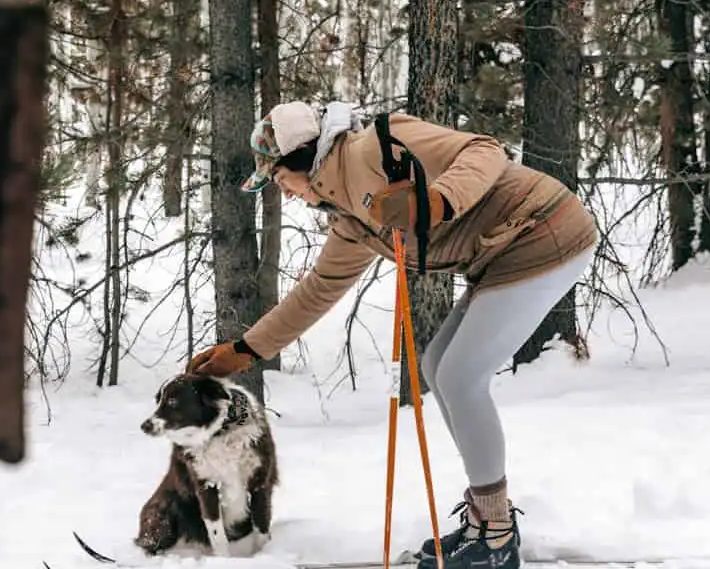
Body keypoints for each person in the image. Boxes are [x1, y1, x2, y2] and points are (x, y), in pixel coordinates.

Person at [186, 100, 598, 569]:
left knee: (462, 376)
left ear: (301, 160)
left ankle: (497, 534)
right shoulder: (350, 219)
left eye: (281, 180)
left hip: (543, 230)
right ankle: (488, 521)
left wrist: (437, 200)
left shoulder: (377, 146)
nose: (288, 194)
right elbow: (319, 289)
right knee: (439, 368)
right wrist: (245, 350)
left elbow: (484, 151)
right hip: (503, 253)